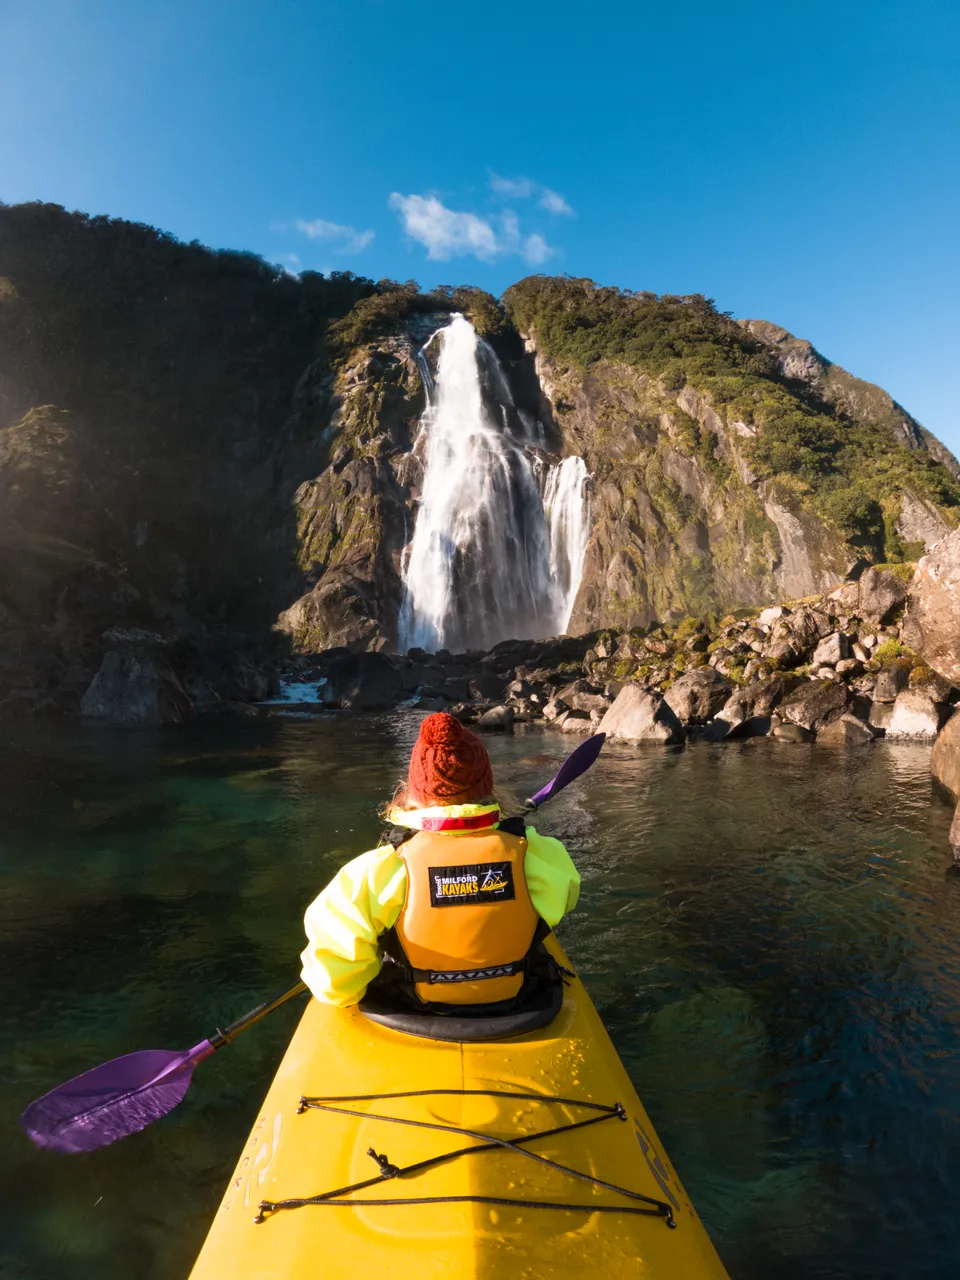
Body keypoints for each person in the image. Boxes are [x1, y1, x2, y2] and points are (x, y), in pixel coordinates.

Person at [300, 712, 581, 1010]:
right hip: (517, 1004)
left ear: (413, 794)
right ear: (488, 790)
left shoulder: (376, 869)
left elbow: (334, 987)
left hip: (414, 1007)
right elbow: (564, 900)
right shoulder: (537, 853)